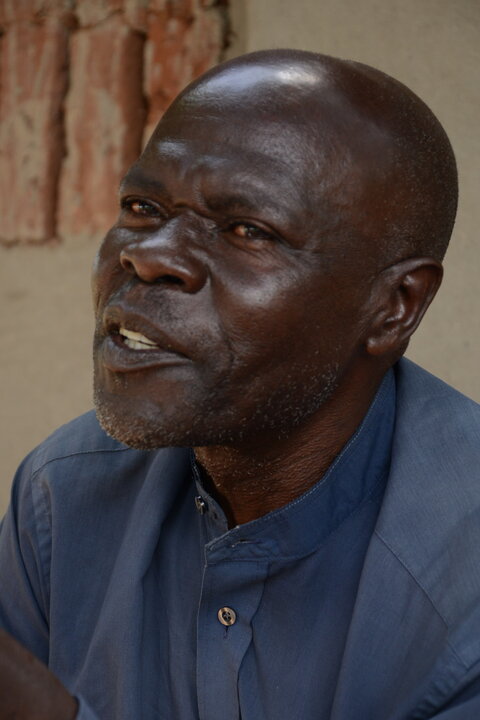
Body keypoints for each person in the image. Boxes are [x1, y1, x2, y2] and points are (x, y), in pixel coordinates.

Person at [0, 48, 479, 720]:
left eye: (246, 230)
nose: (149, 253)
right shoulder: (63, 496)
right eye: (141, 206)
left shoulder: (464, 574)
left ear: (393, 304)